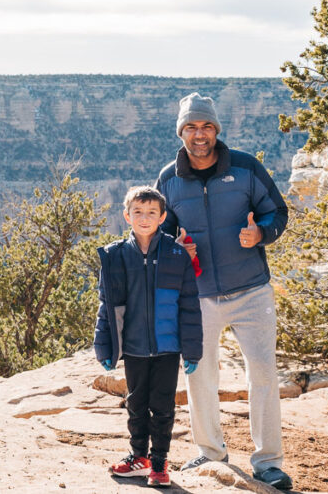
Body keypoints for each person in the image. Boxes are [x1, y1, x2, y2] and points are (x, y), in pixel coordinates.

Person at [155, 92, 292, 491]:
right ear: (181, 132)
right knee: (199, 373)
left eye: (207, 126)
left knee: (264, 372)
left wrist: (260, 233)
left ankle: (268, 462)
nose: (200, 135)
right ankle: (210, 451)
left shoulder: (247, 168)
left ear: (216, 129)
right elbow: (159, 230)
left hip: (252, 291)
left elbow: (277, 212)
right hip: (197, 296)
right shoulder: (168, 178)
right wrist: (175, 248)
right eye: (192, 127)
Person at [94, 185, 203, 488]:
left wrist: (192, 352)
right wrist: (104, 346)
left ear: (162, 216)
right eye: (138, 212)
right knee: (136, 404)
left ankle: (159, 464)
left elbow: (190, 307)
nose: (145, 218)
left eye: (152, 212)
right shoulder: (115, 257)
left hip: (168, 348)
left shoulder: (176, 255)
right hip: (134, 347)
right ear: (127, 215)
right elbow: (107, 305)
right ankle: (138, 457)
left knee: (163, 406)